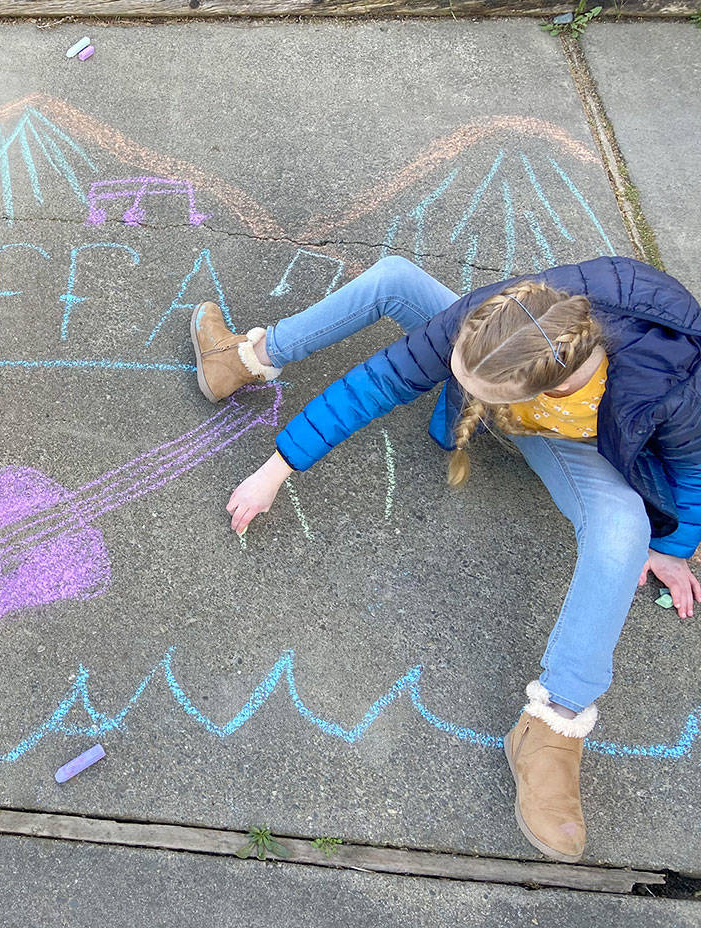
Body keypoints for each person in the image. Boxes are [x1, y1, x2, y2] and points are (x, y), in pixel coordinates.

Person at [189, 254, 701, 864]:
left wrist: (673, 549)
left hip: (575, 439)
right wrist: (277, 469)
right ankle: (240, 361)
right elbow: (380, 381)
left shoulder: (672, 387)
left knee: (622, 526)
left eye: (471, 391)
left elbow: (693, 469)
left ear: (551, 386)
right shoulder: (501, 316)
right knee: (395, 279)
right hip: (523, 383)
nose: (452, 381)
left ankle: (553, 727)